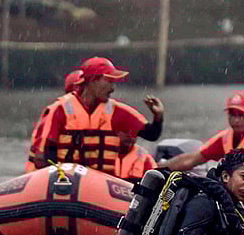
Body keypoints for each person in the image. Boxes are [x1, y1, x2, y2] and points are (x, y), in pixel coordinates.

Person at [31, 57, 164, 176]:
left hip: (101, 185)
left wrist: (158, 117)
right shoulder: (60, 109)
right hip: (66, 180)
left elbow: (152, 134)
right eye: (109, 81)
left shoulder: (117, 111)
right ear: (93, 81)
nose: (113, 88)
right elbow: (47, 153)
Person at [157, 91, 244, 187]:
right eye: (232, 114)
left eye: (241, 115)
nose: (235, 120)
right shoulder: (227, 137)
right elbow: (193, 159)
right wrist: (157, 169)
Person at [24, 69, 83, 172]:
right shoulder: (55, 113)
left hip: (80, 175)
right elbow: (42, 153)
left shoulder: (91, 116)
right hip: (44, 175)